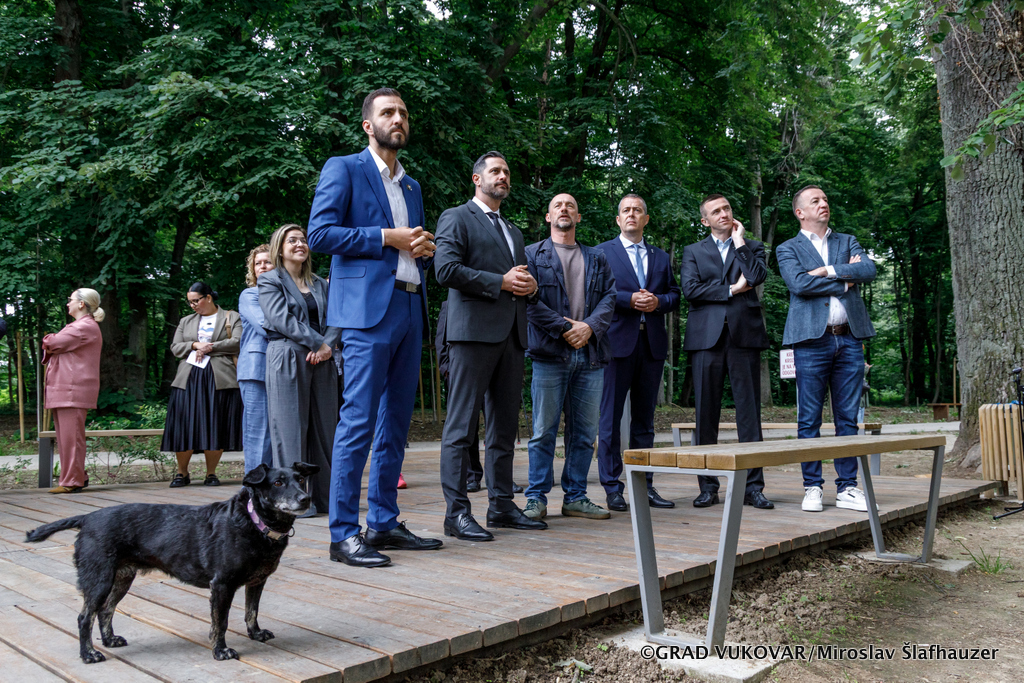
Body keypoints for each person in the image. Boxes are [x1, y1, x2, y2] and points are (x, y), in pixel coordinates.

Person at [308, 87, 442, 568]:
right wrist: (388, 237)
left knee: (396, 424)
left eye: (403, 112)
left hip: (409, 306)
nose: (398, 118)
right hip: (366, 312)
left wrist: (422, 249)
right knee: (359, 421)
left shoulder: (412, 186)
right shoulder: (344, 168)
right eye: (388, 112)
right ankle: (343, 534)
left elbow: (411, 247)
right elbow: (319, 234)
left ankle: (383, 522)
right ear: (368, 124)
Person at [434, 151, 544, 541]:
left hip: (512, 337)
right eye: (495, 171)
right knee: (461, 426)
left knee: (504, 428)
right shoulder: (456, 217)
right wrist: (500, 281)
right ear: (477, 179)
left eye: (507, 172)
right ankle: (456, 513)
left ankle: (501, 506)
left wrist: (531, 287)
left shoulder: (513, 231)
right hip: (471, 335)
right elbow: (445, 269)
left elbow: (518, 280)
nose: (503, 176)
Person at [776, 185, 877, 512]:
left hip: (850, 338)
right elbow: (799, 284)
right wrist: (845, 280)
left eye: (825, 200)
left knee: (848, 417)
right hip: (810, 341)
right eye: (815, 201)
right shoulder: (787, 248)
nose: (823, 204)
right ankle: (812, 487)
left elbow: (868, 270)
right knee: (809, 419)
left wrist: (828, 270)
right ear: (800, 212)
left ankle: (848, 488)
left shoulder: (846, 241)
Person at [523, 193, 616, 521]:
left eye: (570, 206)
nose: (564, 209)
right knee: (542, 431)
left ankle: (575, 496)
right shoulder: (532, 255)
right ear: (549, 217)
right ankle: (536, 498)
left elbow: (610, 297)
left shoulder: (597, 257)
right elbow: (528, 303)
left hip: (590, 357)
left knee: (585, 434)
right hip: (549, 355)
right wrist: (565, 328)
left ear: (578, 217)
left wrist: (589, 327)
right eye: (557, 206)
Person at [680, 194, 773, 509]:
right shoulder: (693, 251)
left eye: (727, 208)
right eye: (716, 211)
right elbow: (691, 290)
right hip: (705, 339)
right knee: (706, 414)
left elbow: (757, 277)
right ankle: (708, 486)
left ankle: (753, 487)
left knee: (750, 415)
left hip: (744, 336)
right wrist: (733, 289)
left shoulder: (751, 247)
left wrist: (739, 242)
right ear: (705, 220)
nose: (723, 213)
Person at [596, 195, 680, 512]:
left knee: (645, 422)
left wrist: (658, 302)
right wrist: (628, 299)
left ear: (646, 219)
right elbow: (597, 293)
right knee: (609, 420)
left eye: (638, 210)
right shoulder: (602, 253)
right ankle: (612, 487)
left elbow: (675, 295)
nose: (632, 214)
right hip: (616, 344)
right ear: (618, 220)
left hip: (651, 345)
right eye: (626, 210)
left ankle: (644, 486)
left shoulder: (660, 257)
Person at [260, 224, 341, 516]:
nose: (299, 244)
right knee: (290, 432)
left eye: (303, 240)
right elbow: (282, 320)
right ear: (279, 249)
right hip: (287, 356)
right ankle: (296, 503)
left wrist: (328, 346)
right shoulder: (270, 280)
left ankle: (328, 500)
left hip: (323, 360)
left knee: (326, 432)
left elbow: (337, 317)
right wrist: (319, 343)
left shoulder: (320, 283)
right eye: (292, 240)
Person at [162, 282, 242, 487]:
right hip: (188, 377)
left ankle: (211, 473)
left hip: (219, 377)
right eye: (190, 302)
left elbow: (238, 341)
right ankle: (181, 473)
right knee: (184, 424)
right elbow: (175, 347)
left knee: (215, 423)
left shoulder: (231, 317)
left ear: (208, 297)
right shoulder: (185, 321)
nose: (193, 305)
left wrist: (209, 347)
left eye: (196, 301)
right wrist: (194, 344)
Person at [42, 289, 104, 494]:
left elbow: (51, 342)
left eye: (71, 300)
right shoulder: (80, 326)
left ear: (81, 304)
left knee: (71, 438)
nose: (68, 303)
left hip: (72, 390)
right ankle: (77, 476)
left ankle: (72, 481)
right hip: (66, 389)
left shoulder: (83, 327)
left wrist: (50, 338)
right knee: (67, 438)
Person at [435, 300, 484, 492]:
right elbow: (441, 339)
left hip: (492, 369)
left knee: (497, 424)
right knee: (466, 425)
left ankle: (499, 478)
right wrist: (447, 369)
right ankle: (472, 476)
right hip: (462, 372)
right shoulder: (450, 303)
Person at [238, 244, 274, 473]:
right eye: (257, 263)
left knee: (277, 431)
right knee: (258, 431)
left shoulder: (287, 293)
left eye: (267, 262)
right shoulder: (250, 294)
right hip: (255, 368)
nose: (262, 266)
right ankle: (254, 487)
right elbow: (265, 326)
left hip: (282, 366)